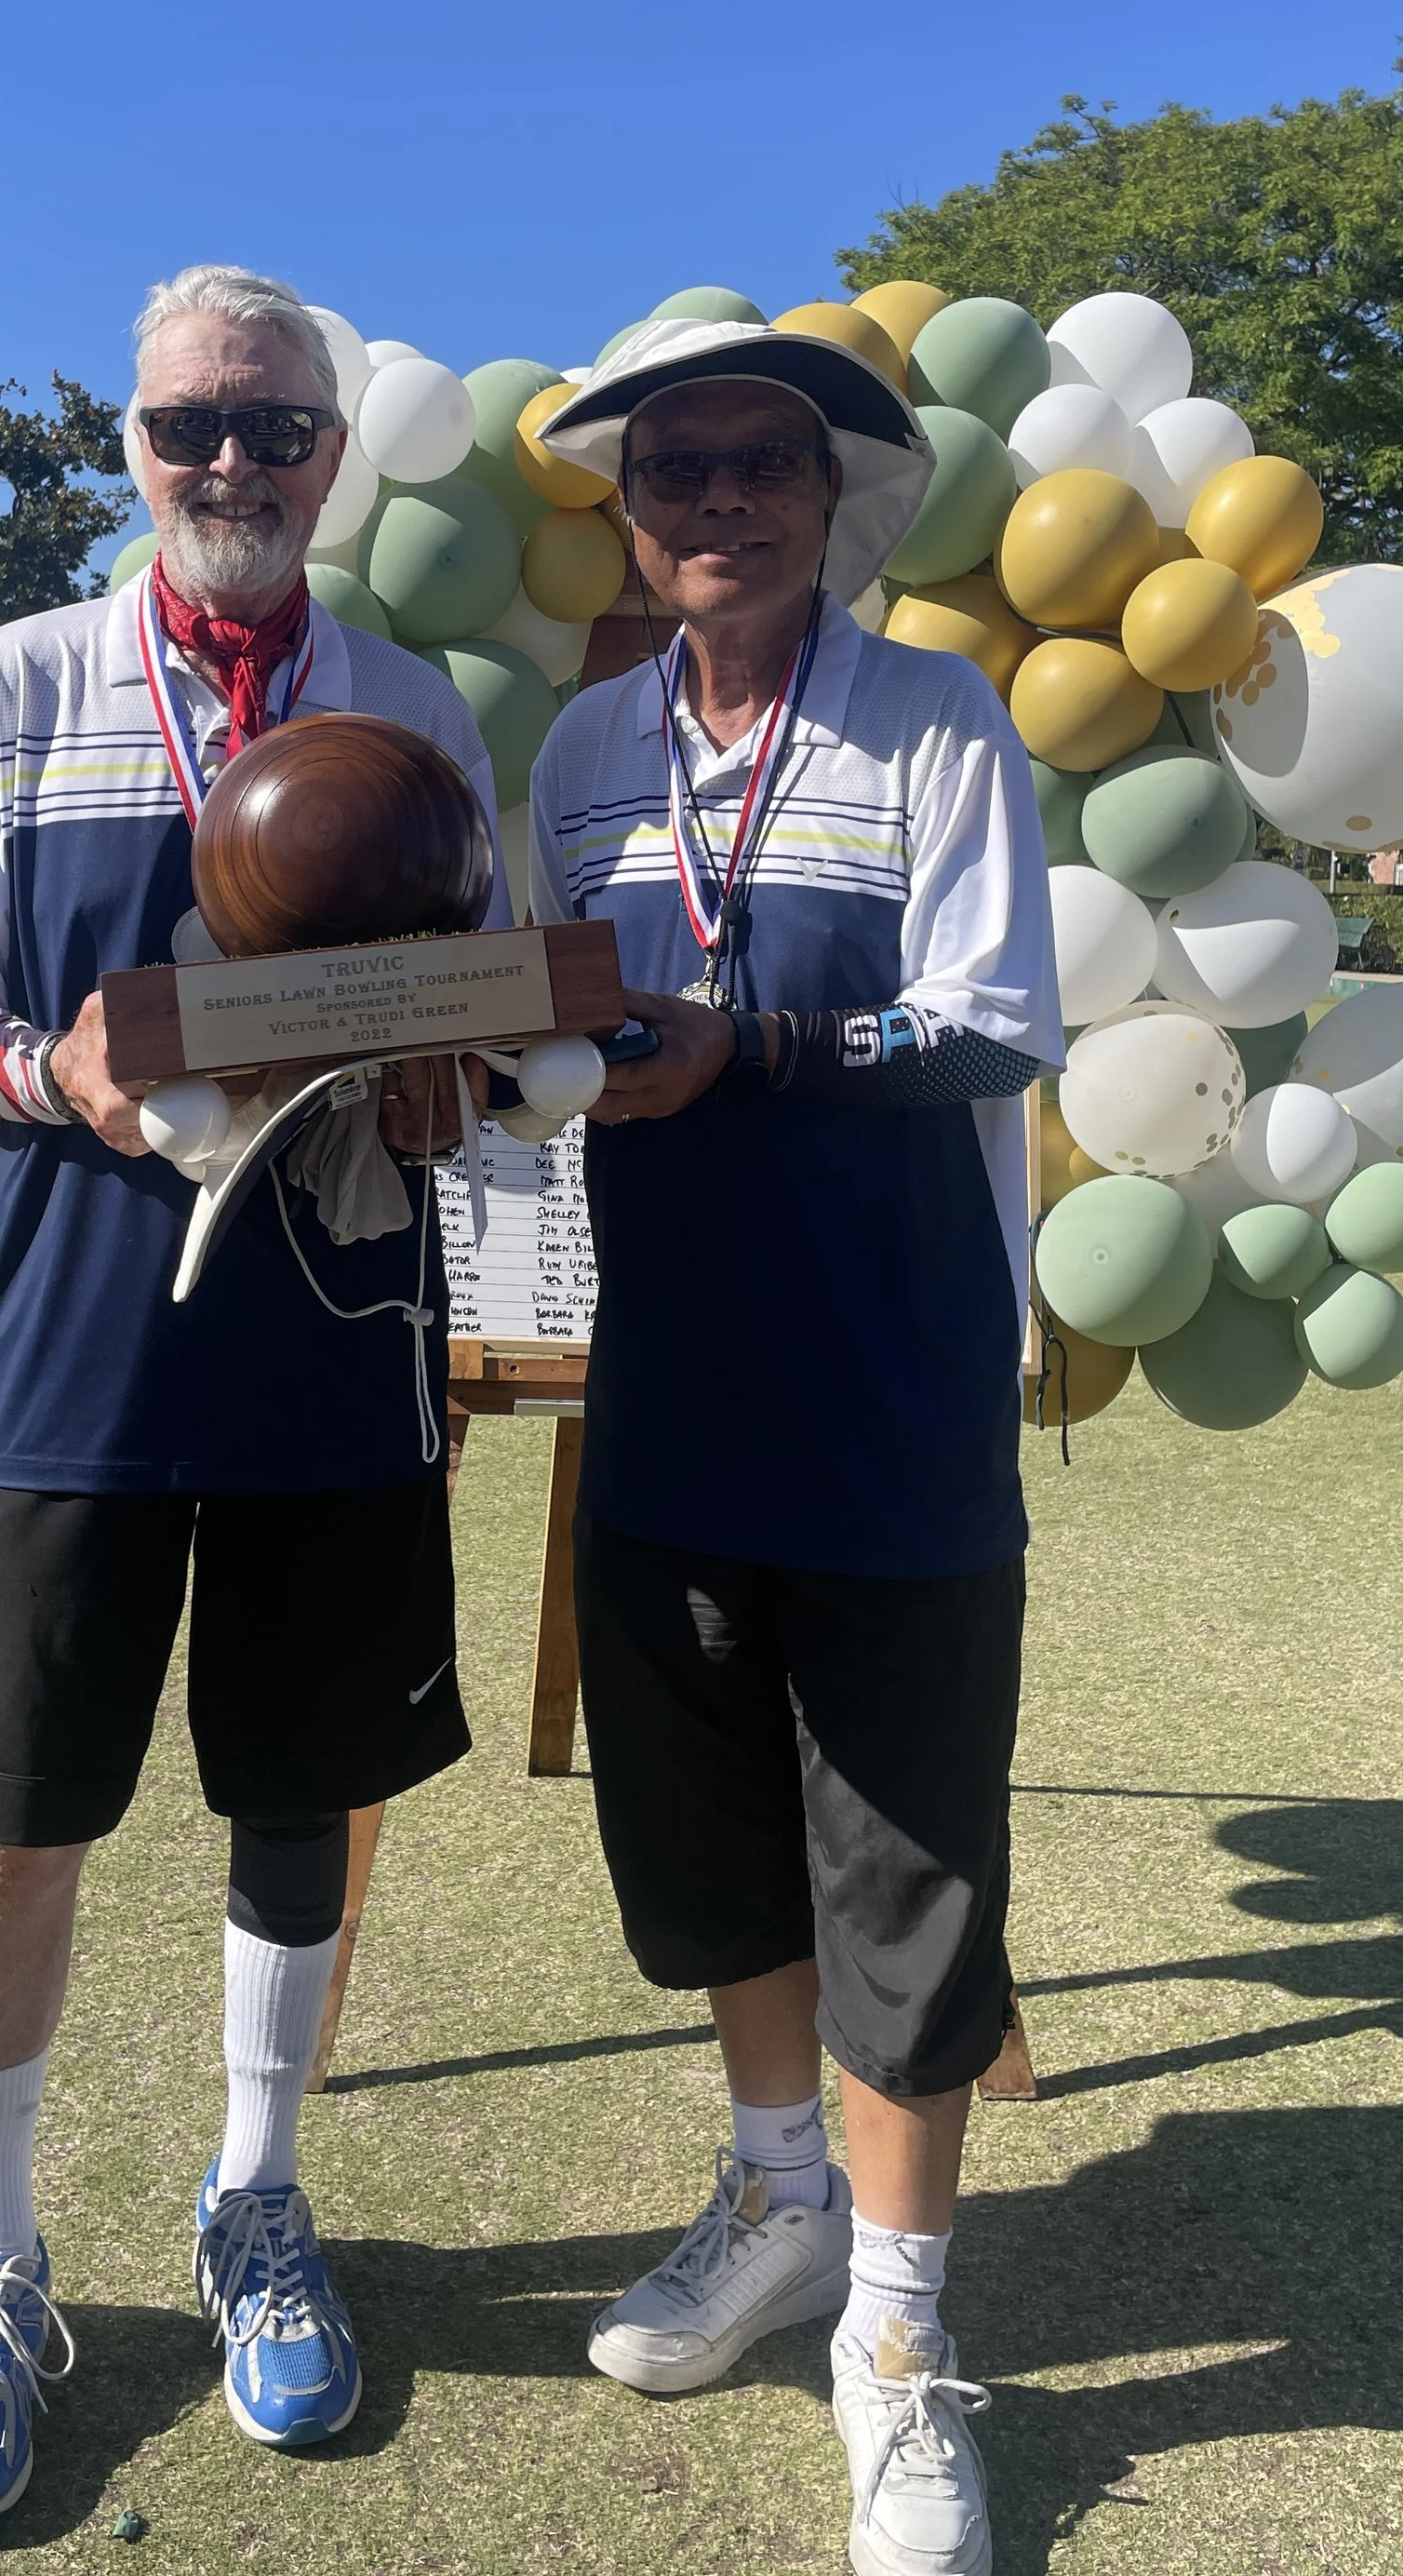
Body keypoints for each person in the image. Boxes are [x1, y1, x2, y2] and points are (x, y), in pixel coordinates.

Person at [0, 264, 503, 2528]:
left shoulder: (411, 701)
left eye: (273, 429)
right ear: (127, 445)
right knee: (23, 1814)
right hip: (78, 1339)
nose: (229, 465)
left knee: (296, 1794)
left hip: (337, 1340)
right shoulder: (18, 683)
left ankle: (253, 2196)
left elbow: (476, 1030)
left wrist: (447, 1093)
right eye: (185, 427)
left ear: (333, 454)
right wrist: (54, 1068)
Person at [526, 317, 1061, 2576]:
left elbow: (984, 1024)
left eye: (760, 462)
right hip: (667, 1397)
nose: (715, 503)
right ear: (631, 519)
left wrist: (740, 1046)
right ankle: (775, 2200)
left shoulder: (938, 721)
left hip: (892, 1398)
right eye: (672, 475)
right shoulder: (573, 751)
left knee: (908, 1886)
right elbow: (538, 1017)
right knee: (714, 1843)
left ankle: (901, 2342)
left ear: (835, 495)